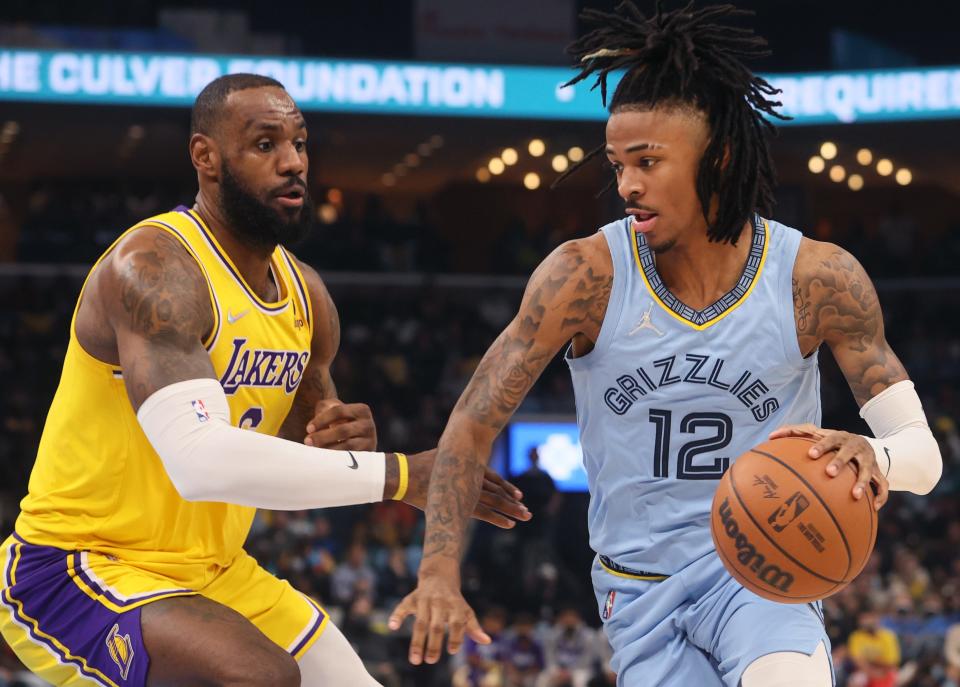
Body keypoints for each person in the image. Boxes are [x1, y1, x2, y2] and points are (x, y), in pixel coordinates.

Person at [389, 3, 943, 686]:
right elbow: (471, 427)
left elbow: (925, 457)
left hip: (765, 575)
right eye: (618, 163)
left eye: (648, 162)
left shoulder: (817, 278)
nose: (626, 183)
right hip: (639, 589)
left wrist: (875, 452)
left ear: (721, 156)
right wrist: (438, 572)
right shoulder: (582, 276)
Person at [0, 73, 529, 687]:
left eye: (300, 144)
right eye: (265, 144)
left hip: (215, 571)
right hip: (80, 565)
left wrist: (343, 437)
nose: (293, 163)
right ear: (206, 157)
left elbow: (315, 441)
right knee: (257, 675)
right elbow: (199, 462)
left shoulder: (307, 295)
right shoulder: (154, 268)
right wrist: (401, 474)